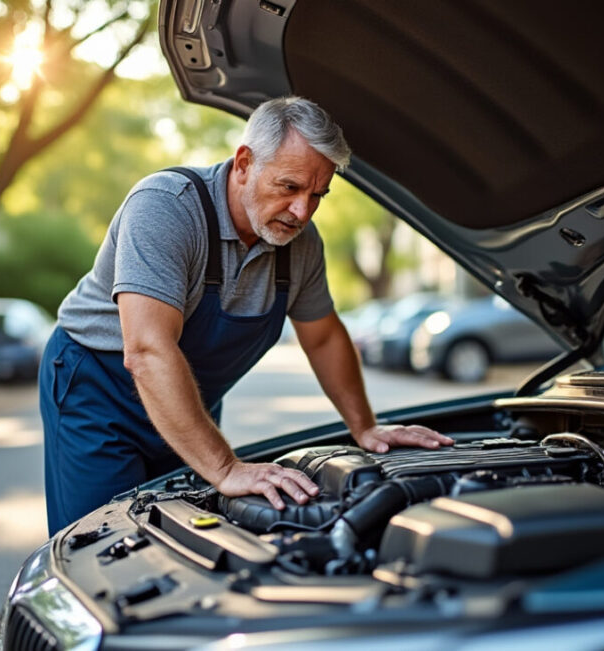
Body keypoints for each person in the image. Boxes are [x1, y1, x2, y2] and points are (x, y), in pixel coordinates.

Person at [39, 96, 453, 536]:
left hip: (183, 399)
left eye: (317, 195)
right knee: (107, 539)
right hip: (98, 394)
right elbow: (146, 349)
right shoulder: (165, 208)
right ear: (243, 164)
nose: (302, 211)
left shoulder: (301, 244)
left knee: (180, 537)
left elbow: (323, 338)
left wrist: (365, 428)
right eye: (289, 187)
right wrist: (224, 467)